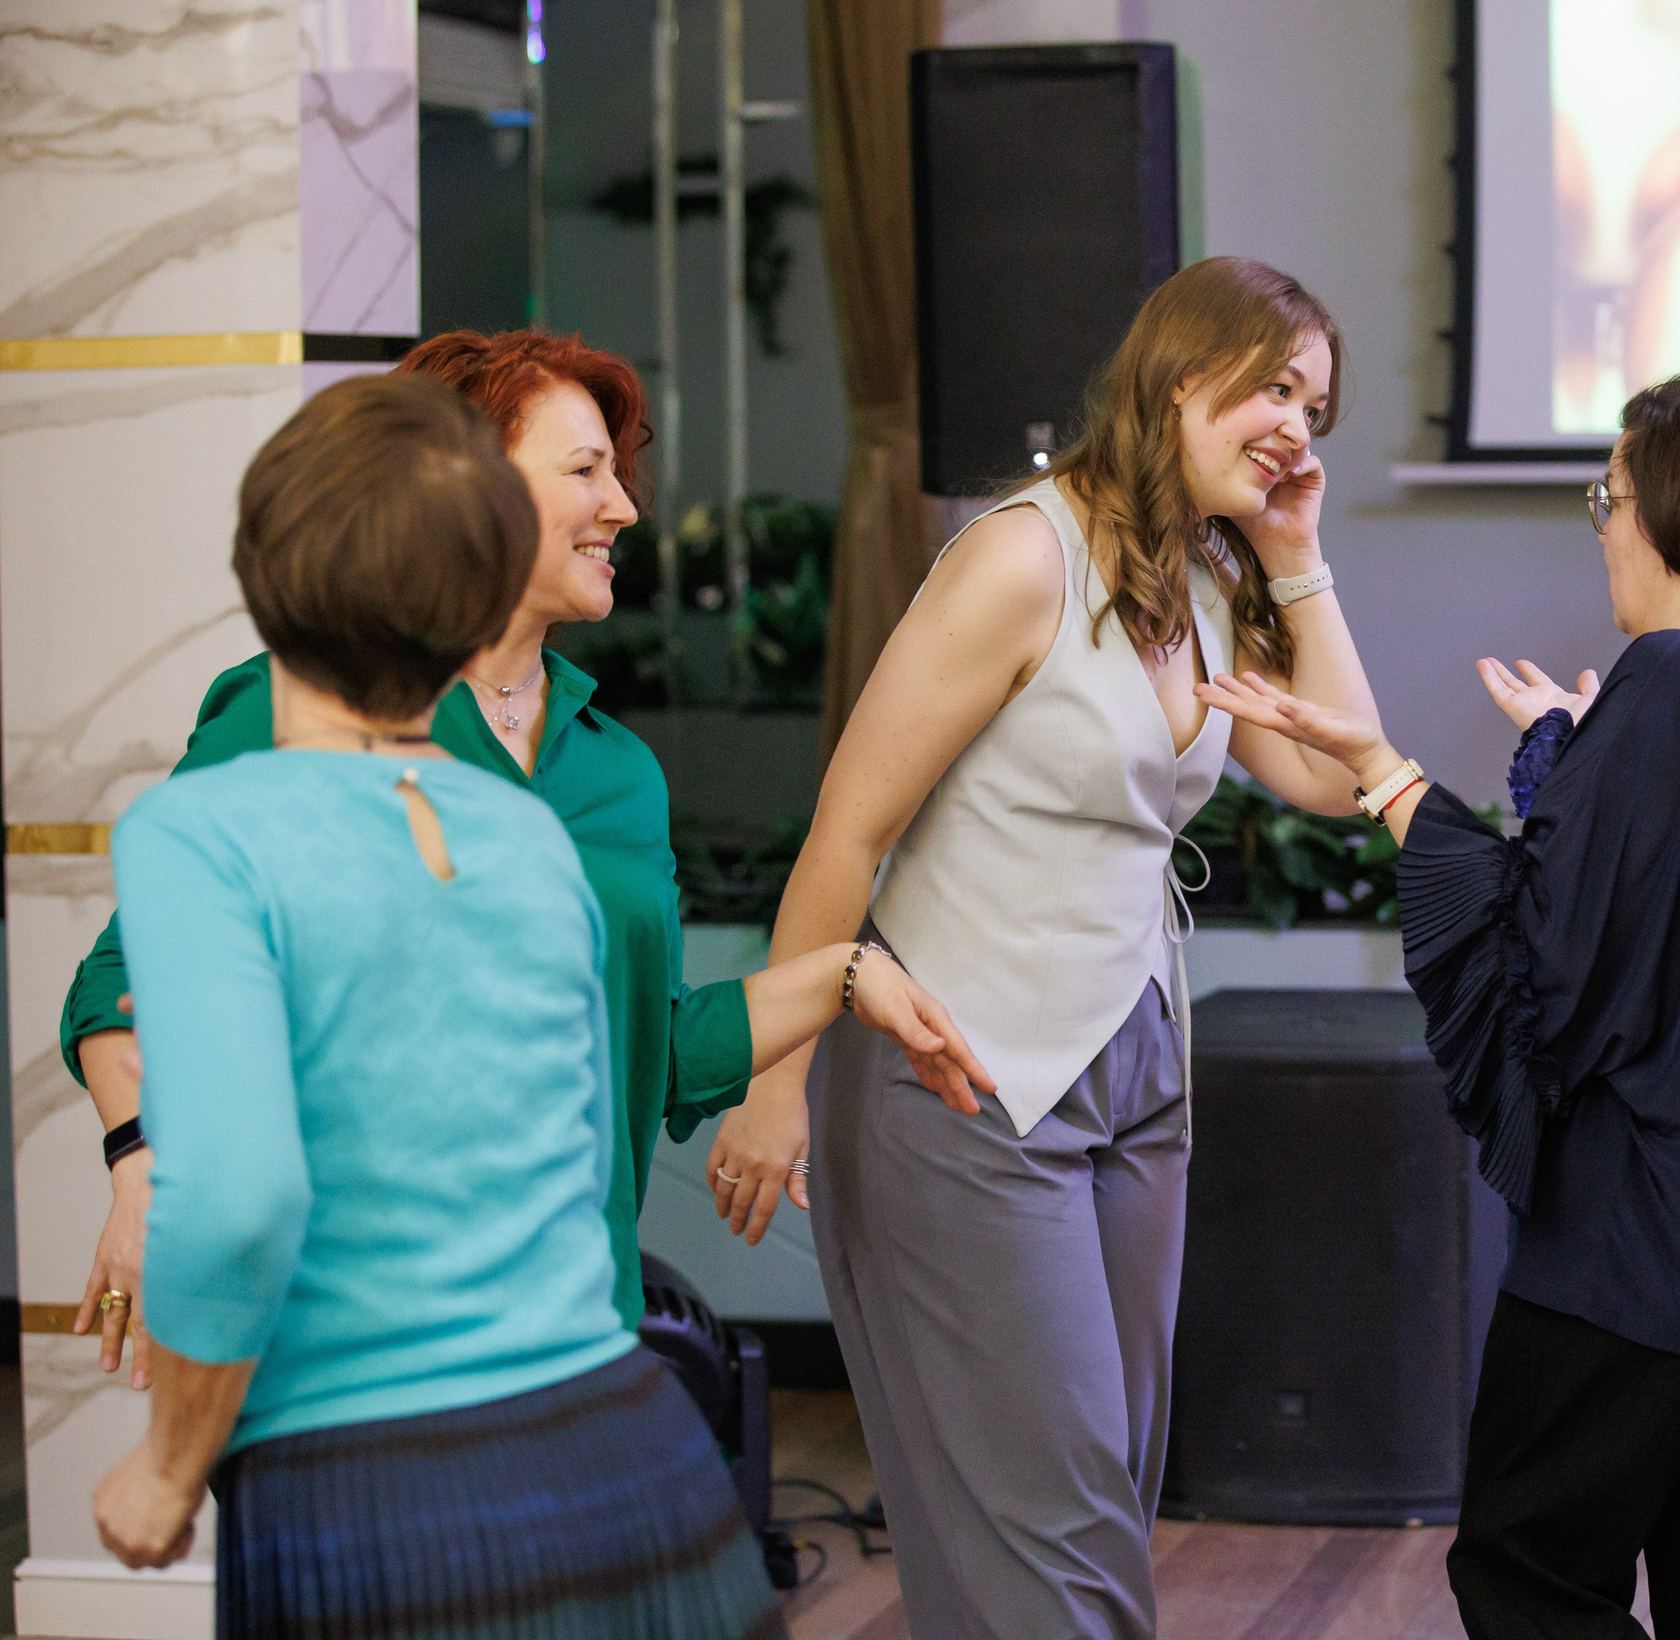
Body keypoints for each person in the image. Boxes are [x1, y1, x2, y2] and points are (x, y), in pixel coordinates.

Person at [708, 257, 1382, 1637]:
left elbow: (1334, 771)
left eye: (1316, 405)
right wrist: (772, 1079)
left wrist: (1300, 558)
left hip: (1135, 1061)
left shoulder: (1200, 574)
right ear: (1183, 374)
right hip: (959, 1068)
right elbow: (848, 828)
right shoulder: (1020, 553)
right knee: (1052, 1513)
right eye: (1275, 388)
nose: (1298, 426)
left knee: (1099, 1485)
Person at [87, 374, 810, 1636]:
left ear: (265, 570)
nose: (622, 507)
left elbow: (247, 1197)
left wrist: (169, 1464)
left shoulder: (202, 835)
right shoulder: (522, 838)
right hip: (637, 1456)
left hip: (380, 1489)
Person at [1198, 372, 1680, 1639]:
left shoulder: (1672, 681)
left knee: (1531, 1578)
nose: (1603, 528)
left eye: (1610, 496)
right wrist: (1570, 746)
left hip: (1662, 1245)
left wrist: (1379, 771)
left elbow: (1546, 949)